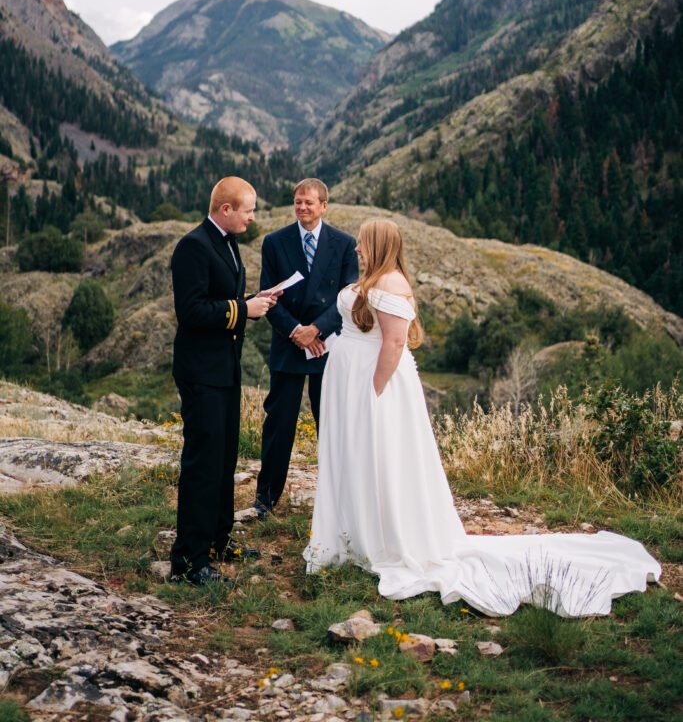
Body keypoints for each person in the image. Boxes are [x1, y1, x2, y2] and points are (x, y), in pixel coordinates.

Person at [304, 219, 661, 617]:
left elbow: (395, 340)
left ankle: (386, 538)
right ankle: (357, 532)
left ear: (380, 244)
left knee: (381, 457)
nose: (356, 249)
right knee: (355, 457)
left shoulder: (390, 284)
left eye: (363, 243)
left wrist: (374, 390)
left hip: (375, 384)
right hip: (351, 378)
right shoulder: (372, 281)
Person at [170, 176, 278, 585]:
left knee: (225, 458)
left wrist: (256, 302)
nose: (252, 218)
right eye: (248, 210)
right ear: (226, 209)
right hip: (201, 372)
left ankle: (217, 540)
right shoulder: (193, 247)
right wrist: (242, 309)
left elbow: (223, 297)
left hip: (224, 369)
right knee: (203, 463)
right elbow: (192, 311)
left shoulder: (228, 243)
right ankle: (188, 561)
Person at [254, 178, 358, 516]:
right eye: (297, 202)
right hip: (289, 344)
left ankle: (340, 498)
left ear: (324, 206)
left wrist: (317, 331)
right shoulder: (274, 242)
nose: (302, 207)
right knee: (279, 423)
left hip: (327, 347)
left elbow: (348, 298)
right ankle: (265, 499)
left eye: (309, 202)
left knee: (330, 421)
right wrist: (297, 331)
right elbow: (267, 294)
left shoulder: (344, 244)